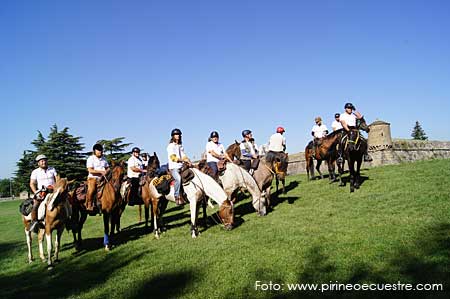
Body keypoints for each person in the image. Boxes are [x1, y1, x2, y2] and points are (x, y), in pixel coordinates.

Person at [29, 154, 58, 232]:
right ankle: (34, 222)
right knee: (35, 206)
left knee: (66, 200)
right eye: (41, 161)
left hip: (53, 191)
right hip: (42, 192)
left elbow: (57, 179)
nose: (43, 162)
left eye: (45, 160)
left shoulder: (52, 169)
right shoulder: (35, 172)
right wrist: (36, 192)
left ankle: (68, 219)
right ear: (38, 163)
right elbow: (32, 183)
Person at [167, 128, 191, 206]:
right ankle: (177, 196)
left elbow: (183, 155)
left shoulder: (180, 146)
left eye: (178, 134)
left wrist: (188, 160)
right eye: (176, 134)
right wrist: (182, 160)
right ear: (173, 136)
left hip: (181, 167)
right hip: (174, 168)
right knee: (178, 179)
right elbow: (173, 158)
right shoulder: (170, 146)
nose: (178, 136)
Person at [86, 143, 109, 212]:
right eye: (98, 150)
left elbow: (108, 168)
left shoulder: (104, 159)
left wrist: (106, 171)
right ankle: (89, 205)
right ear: (94, 151)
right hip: (93, 178)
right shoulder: (91, 159)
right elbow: (90, 170)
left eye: (101, 150)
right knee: (92, 190)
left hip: (103, 178)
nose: (100, 152)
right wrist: (101, 172)